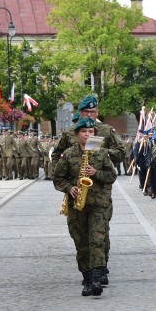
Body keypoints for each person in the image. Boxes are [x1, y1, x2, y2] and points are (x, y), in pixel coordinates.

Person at [53, 117, 117, 296]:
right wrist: (69, 188)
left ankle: (97, 278)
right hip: (77, 205)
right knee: (81, 243)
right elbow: (58, 178)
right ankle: (87, 278)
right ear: (77, 134)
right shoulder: (68, 154)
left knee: (97, 239)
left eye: (91, 132)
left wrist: (96, 173)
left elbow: (112, 175)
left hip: (98, 204)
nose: (88, 135)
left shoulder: (101, 152)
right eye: (84, 132)